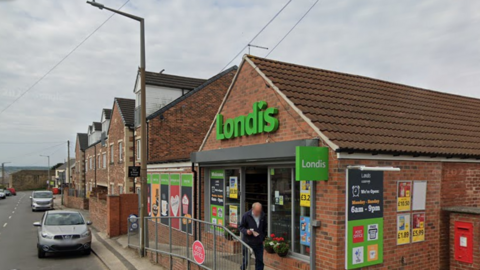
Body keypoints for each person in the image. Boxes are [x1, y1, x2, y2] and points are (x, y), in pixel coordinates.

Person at [239, 202, 267, 270]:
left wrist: (262, 237)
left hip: (258, 242)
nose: (258, 213)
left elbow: (264, 228)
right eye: (257, 211)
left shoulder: (263, 215)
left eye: (259, 211)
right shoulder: (246, 215)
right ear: (252, 209)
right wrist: (246, 231)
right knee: (245, 260)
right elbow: (240, 227)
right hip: (248, 242)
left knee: (260, 260)